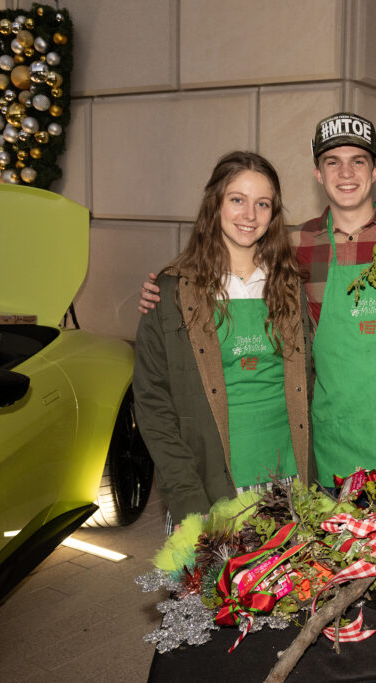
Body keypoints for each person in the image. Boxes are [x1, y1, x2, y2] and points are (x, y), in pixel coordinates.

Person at [140, 113, 376, 491]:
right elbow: (228, 254)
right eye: (333, 162)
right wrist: (165, 291)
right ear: (318, 174)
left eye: (357, 161)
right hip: (334, 441)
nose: (346, 173)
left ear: (375, 171)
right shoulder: (296, 248)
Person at [133, 151, 311, 527]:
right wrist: (185, 493)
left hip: (290, 484)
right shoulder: (171, 292)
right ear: (215, 204)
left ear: (273, 214)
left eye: (262, 204)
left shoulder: (290, 285)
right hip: (212, 488)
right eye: (237, 200)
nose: (250, 215)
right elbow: (152, 403)